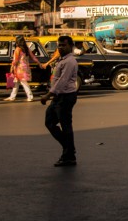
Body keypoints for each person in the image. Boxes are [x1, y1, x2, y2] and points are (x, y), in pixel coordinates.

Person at [40, 35, 78, 167]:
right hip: (59, 97)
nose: (60, 48)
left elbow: (63, 81)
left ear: (70, 46)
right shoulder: (62, 60)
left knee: (66, 126)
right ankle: (69, 148)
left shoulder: (69, 62)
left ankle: (69, 155)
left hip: (65, 97)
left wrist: (48, 95)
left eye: (63, 45)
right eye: (59, 45)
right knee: (50, 122)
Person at [5, 35, 40, 101]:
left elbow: (15, 60)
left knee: (24, 83)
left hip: (19, 69)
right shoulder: (26, 49)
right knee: (16, 83)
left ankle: (30, 97)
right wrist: (39, 63)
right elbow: (33, 57)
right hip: (25, 67)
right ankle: (12, 96)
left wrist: (12, 67)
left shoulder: (18, 49)